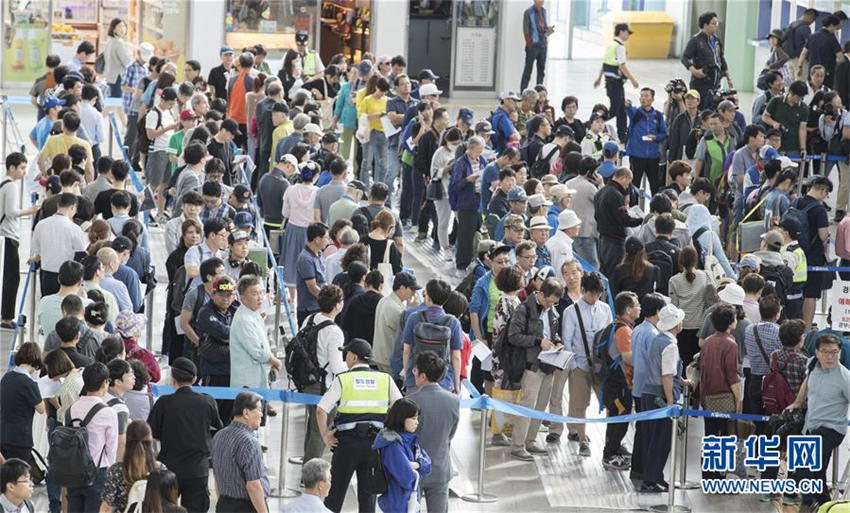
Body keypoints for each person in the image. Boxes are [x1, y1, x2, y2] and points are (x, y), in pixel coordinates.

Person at [316, 338, 403, 513]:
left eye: (347, 353)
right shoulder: (384, 379)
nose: (345, 357)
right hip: (375, 445)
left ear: (354, 357)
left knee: (335, 495)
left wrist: (326, 436)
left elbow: (321, 410)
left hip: (346, 444)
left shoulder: (343, 379)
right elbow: (401, 407)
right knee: (368, 497)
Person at [148, 357, 221, 512]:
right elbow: (218, 430)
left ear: (172, 380)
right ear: (194, 379)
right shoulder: (207, 402)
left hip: (169, 467)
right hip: (197, 469)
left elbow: (151, 434)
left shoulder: (164, 403)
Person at [787, 334, 850, 508]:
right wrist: (798, 402)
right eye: (825, 352)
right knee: (818, 471)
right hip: (812, 425)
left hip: (832, 429)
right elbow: (807, 381)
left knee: (803, 461)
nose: (830, 356)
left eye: (834, 352)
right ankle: (825, 504)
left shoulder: (845, 377)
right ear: (817, 352)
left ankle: (807, 504)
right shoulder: (812, 363)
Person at [506, 278, 564, 461]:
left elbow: (553, 332)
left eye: (554, 302)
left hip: (548, 365)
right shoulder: (523, 309)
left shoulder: (552, 310)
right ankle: (517, 445)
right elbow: (513, 336)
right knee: (527, 405)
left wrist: (557, 341)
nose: (550, 305)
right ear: (540, 293)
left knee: (540, 406)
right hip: (531, 365)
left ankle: (530, 440)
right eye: (548, 301)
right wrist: (538, 342)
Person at [561, 273, 612, 457]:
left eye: (598, 293)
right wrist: (573, 365)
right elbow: (567, 340)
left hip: (600, 365)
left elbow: (609, 336)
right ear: (583, 291)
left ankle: (610, 440)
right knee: (579, 404)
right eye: (592, 293)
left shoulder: (605, 309)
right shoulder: (571, 312)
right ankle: (582, 439)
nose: (595, 297)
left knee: (608, 402)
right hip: (580, 365)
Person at [640, 304, 689, 493]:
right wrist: (670, 401)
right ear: (676, 325)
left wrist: (681, 380)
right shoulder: (670, 345)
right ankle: (652, 479)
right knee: (661, 440)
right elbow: (667, 375)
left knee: (652, 438)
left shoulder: (657, 339)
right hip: (661, 397)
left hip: (648, 393)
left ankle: (652, 477)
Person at [406, 351, 459, 513]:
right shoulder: (453, 401)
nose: (414, 375)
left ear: (422, 376)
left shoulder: (410, 401)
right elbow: (451, 434)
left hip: (414, 469)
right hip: (440, 468)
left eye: (415, 371)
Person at [66, 362, 119, 511]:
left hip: (73, 472)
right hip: (97, 472)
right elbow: (111, 448)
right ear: (104, 383)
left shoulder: (71, 409)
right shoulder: (108, 412)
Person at [698, 305, 743, 480]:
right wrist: (738, 397)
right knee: (725, 435)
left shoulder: (708, 341)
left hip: (707, 395)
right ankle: (718, 474)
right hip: (724, 395)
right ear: (731, 322)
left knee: (710, 434)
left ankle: (707, 473)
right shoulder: (730, 344)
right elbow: (731, 374)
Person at [401, 279, 463, 393]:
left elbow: (406, 351)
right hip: (443, 380)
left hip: (416, 378)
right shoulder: (453, 322)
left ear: (427, 297)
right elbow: (456, 356)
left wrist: (406, 373)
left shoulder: (414, 318)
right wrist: (457, 385)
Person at [211, 391, 269, 513]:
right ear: (246, 413)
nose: (262, 414)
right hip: (246, 506)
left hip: (223, 504)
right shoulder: (249, 443)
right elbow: (253, 485)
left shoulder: (219, 436)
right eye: (259, 410)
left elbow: (217, 476)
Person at [372, 398, 431, 513]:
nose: (417, 422)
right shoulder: (392, 444)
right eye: (413, 418)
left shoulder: (410, 439)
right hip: (398, 503)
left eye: (417, 418)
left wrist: (417, 464)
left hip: (408, 500)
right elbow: (407, 478)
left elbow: (428, 465)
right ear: (401, 418)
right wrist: (418, 467)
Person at [0, 153, 39, 328]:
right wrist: (30, 210)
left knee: (10, 276)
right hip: (8, 235)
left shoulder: (3, 183)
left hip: (5, 234)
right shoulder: (11, 187)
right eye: (22, 168)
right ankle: (6, 317)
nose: (24, 172)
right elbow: (11, 212)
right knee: (12, 277)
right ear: (12, 168)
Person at [28, 193, 88, 297]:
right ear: (73, 207)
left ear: (58, 205)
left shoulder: (41, 225)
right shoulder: (74, 229)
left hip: (46, 273)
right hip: (68, 275)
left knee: (48, 303)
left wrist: (36, 257)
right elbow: (81, 253)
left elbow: (35, 250)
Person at [230, 275, 282, 389]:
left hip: (258, 378)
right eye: (254, 294)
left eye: (261, 293)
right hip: (247, 382)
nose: (260, 298)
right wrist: (274, 361)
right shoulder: (244, 319)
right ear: (243, 298)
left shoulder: (254, 313)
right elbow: (256, 351)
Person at [795, 175, 832, 329]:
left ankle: (795, 323)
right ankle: (807, 327)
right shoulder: (819, 209)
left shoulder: (797, 201)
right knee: (811, 294)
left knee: (797, 290)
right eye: (826, 193)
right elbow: (823, 235)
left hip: (796, 252)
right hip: (813, 256)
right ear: (823, 191)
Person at [99, 420, 160, 513]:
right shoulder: (160, 470)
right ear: (150, 441)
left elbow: (107, 507)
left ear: (127, 441)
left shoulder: (116, 471)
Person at [0, 343, 44, 469]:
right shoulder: (28, 383)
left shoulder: (6, 378)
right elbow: (41, 409)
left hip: (3, 433)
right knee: (19, 474)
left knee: (5, 474)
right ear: (35, 360)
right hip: (20, 437)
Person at [594, 167, 642, 277]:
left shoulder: (600, 192)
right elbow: (624, 219)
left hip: (602, 239)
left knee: (604, 272)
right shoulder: (615, 194)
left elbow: (596, 216)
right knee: (614, 273)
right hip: (614, 241)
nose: (627, 187)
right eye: (628, 183)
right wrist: (641, 220)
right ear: (624, 178)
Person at [595, 23, 639, 140]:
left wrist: (599, 79)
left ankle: (622, 135)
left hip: (610, 84)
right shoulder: (620, 47)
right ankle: (593, 123)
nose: (628, 35)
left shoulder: (611, 45)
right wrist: (633, 80)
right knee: (614, 111)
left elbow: (605, 64)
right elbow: (622, 66)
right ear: (621, 31)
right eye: (627, 33)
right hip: (615, 84)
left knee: (621, 111)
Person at [681, 12, 732, 109]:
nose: (716, 26)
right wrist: (694, 71)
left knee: (713, 108)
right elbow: (685, 57)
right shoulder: (696, 41)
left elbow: (721, 57)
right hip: (701, 83)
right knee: (701, 109)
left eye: (716, 23)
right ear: (705, 25)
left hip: (715, 82)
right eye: (713, 23)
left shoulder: (716, 40)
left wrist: (728, 76)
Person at [450, 136, 487, 270]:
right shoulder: (461, 163)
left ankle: (477, 259)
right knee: (465, 235)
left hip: (479, 201)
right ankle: (462, 263)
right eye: (477, 151)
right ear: (469, 149)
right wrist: (467, 180)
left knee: (480, 232)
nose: (479, 154)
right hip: (466, 203)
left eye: (481, 151)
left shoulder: (482, 160)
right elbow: (455, 185)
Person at [373, 273, 420, 374]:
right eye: (412, 289)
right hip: (388, 358)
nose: (414, 293)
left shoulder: (384, 300)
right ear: (402, 288)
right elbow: (407, 331)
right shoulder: (395, 309)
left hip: (380, 355)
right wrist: (412, 310)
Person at [145, 87, 180, 219]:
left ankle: (160, 212)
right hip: (158, 151)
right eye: (170, 103)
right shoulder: (154, 113)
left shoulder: (169, 112)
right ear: (162, 100)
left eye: (173, 104)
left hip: (169, 150)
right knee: (153, 183)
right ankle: (146, 212)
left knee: (165, 184)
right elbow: (150, 135)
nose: (171, 106)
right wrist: (168, 128)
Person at [625, 87, 666, 193]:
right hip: (637, 155)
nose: (643, 98)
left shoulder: (658, 115)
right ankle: (633, 208)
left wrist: (655, 137)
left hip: (653, 156)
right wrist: (627, 105)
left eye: (646, 96)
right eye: (641, 96)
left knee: (655, 185)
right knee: (634, 185)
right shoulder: (635, 113)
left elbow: (664, 134)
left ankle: (656, 208)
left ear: (652, 99)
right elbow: (629, 109)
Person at [762, 80, 809, 154]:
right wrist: (774, 123)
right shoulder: (776, 101)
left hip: (793, 146)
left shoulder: (803, 108)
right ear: (791, 92)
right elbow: (765, 117)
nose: (799, 99)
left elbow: (802, 129)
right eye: (797, 97)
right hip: (774, 144)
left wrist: (803, 148)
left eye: (801, 97)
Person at [798, 14, 843, 88]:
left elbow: (803, 53)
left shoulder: (812, 36)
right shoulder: (832, 39)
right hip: (827, 74)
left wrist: (800, 66)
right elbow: (840, 57)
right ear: (831, 25)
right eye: (835, 28)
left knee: (811, 91)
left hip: (812, 72)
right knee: (826, 94)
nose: (835, 30)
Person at [520, 0, 553, 91]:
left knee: (541, 72)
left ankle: (540, 93)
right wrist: (530, 45)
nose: (541, 1)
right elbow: (526, 31)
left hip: (543, 46)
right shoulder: (528, 12)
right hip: (533, 47)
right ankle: (523, 92)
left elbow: (543, 27)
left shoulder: (544, 11)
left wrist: (548, 30)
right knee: (528, 71)